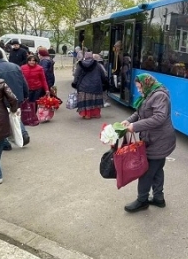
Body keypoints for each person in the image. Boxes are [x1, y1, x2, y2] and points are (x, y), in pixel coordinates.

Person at [120, 73, 176, 212]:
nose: (139, 90)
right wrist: (129, 120)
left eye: (140, 88)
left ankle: (142, 200)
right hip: (155, 139)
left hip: (159, 140)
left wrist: (135, 127)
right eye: (138, 88)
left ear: (147, 84)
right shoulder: (150, 93)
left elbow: (159, 118)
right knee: (157, 169)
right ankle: (158, 198)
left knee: (146, 171)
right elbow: (140, 112)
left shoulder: (159, 96)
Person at [0, 48, 31, 146]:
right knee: (14, 115)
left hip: (1, 97)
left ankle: (6, 141)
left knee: (3, 119)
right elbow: (23, 82)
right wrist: (25, 94)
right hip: (17, 96)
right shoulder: (15, 66)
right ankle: (23, 134)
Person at [72, 51, 108, 119]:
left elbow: (76, 75)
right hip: (96, 86)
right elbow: (103, 75)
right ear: (91, 56)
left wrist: (75, 83)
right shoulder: (97, 65)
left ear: (85, 57)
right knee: (95, 100)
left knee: (86, 101)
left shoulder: (80, 64)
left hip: (84, 86)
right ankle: (96, 114)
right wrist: (105, 83)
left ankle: (87, 115)